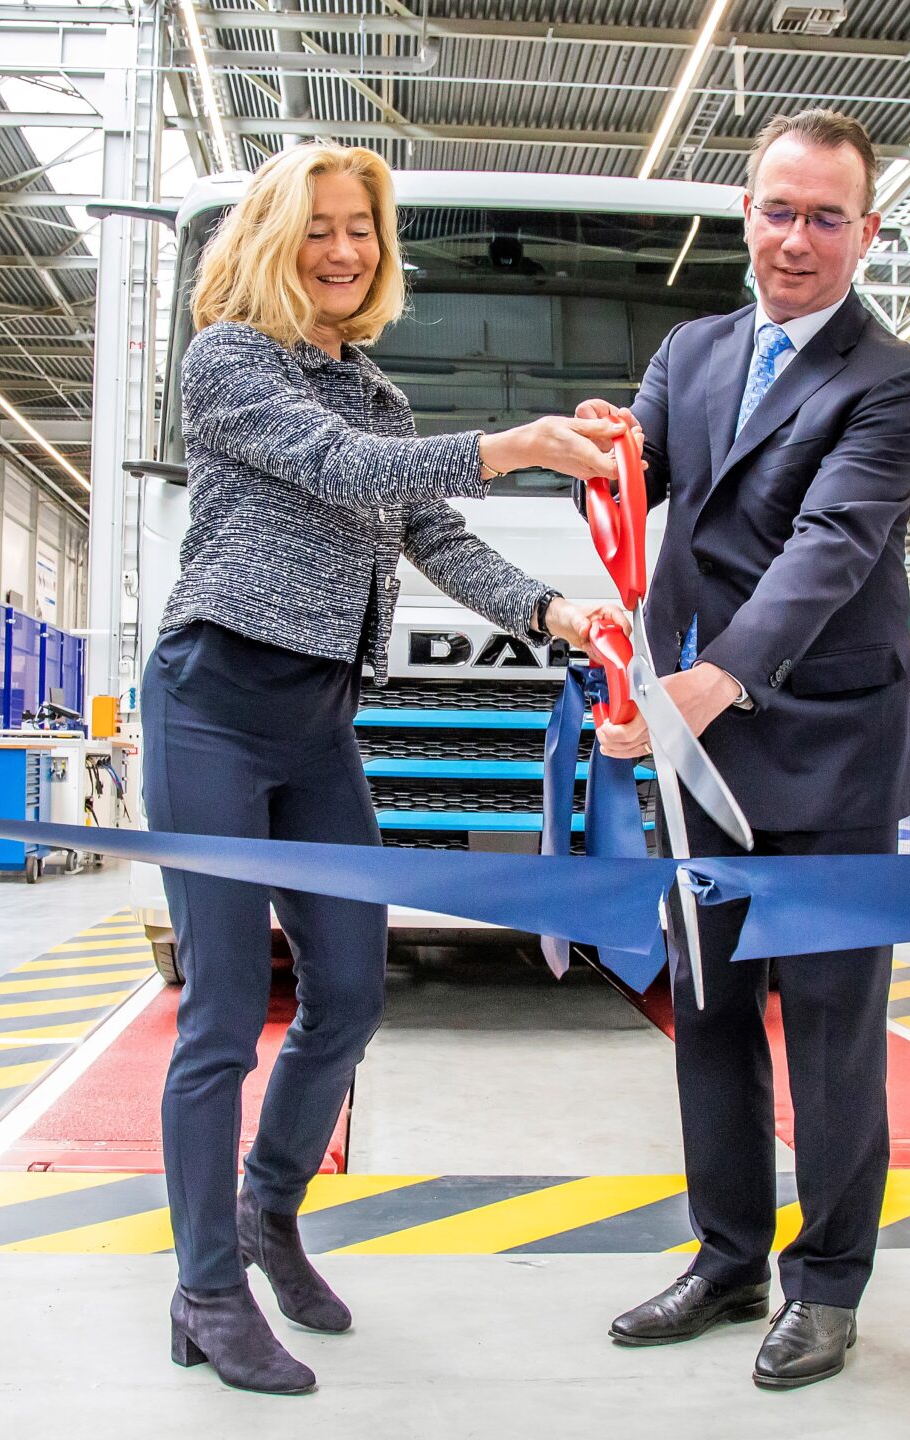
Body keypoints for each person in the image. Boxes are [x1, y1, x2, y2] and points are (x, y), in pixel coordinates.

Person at [148, 143, 627, 1396]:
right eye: (319, 228)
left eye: (361, 229)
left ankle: (267, 1215)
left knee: (351, 996)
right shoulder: (230, 363)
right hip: (214, 703)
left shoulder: (381, 397)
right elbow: (340, 475)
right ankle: (204, 1292)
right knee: (215, 1019)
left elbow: (430, 531)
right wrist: (517, 439)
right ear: (269, 238)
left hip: (317, 724)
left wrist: (555, 613)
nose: (345, 250)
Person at [584, 109, 910, 1390]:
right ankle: (728, 1256)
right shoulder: (690, 350)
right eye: (777, 210)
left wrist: (710, 680)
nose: (795, 240)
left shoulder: (892, 379)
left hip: (828, 745)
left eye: (825, 217)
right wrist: (598, 455)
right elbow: (633, 485)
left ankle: (829, 1283)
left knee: (836, 1029)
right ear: (745, 212)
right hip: (701, 746)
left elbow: (828, 551)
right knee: (710, 1013)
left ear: (866, 230)